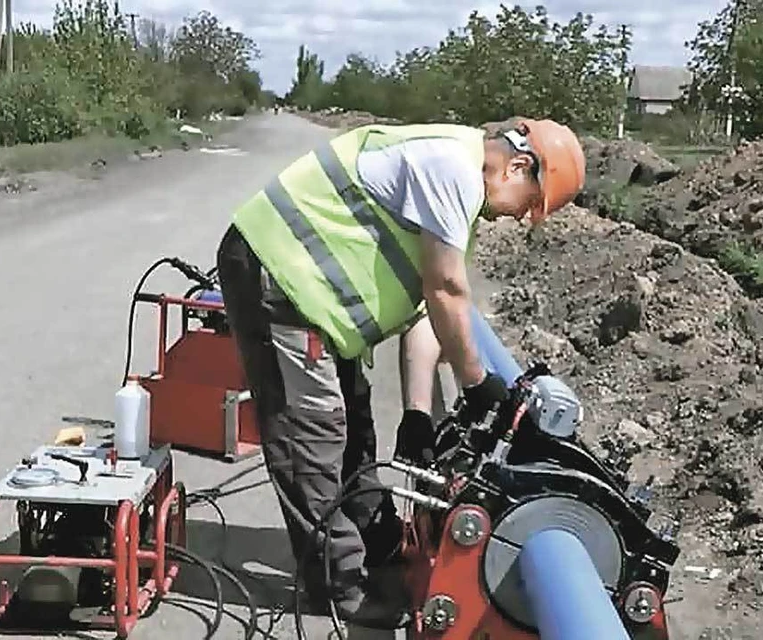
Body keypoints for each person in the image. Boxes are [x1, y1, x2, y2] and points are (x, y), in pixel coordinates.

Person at [214, 119, 585, 627]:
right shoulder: (452, 168)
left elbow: (424, 313)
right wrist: (478, 385)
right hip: (277, 279)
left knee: (355, 426)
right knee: (313, 440)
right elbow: (446, 290)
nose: (522, 217)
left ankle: (379, 541)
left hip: (314, 301)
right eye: (530, 203)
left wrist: (416, 415)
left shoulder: (459, 186)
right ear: (519, 167)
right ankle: (340, 586)